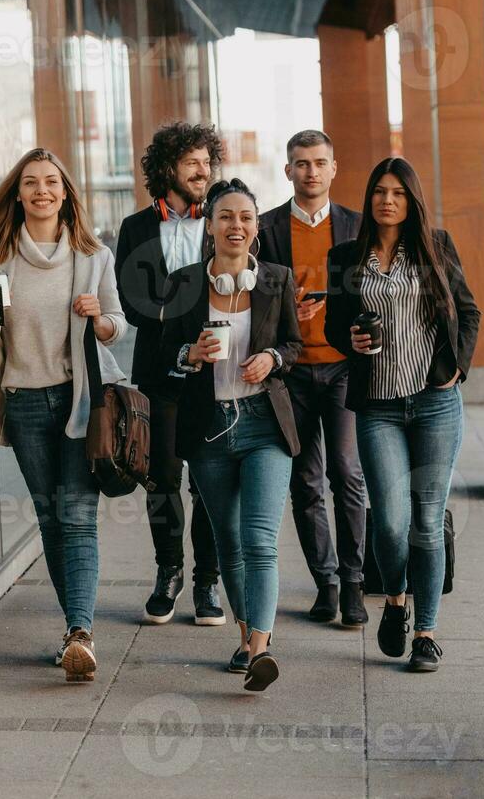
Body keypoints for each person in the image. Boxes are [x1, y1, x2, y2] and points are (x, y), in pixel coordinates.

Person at [0, 148, 128, 683]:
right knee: (52, 519)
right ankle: (73, 630)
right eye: (30, 183)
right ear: (18, 194)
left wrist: (99, 318)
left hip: (80, 401)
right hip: (25, 403)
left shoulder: (93, 255)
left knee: (77, 515)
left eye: (50, 182)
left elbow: (116, 326)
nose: (41, 191)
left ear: (65, 192)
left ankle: (81, 633)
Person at [326, 157, 480, 674]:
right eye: (379, 192)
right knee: (390, 522)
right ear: (369, 199)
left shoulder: (436, 246)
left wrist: (456, 366)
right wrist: (348, 338)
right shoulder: (346, 256)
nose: (387, 200)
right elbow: (333, 326)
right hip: (379, 408)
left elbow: (468, 310)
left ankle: (429, 632)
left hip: (435, 402)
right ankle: (395, 600)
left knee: (427, 521)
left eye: (397, 193)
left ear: (411, 200)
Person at [159, 179, 303, 692]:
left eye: (244, 216)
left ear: (256, 226)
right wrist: (188, 356)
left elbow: (294, 344)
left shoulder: (277, 280)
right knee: (230, 544)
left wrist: (274, 358)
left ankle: (261, 649)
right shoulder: (184, 284)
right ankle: (245, 638)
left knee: (261, 540)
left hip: (265, 423)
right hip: (210, 429)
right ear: (211, 225)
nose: (235, 225)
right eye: (225, 216)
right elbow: (161, 357)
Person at [256, 130, 368, 626]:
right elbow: (253, 296)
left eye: (319, 162)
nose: (311, 172)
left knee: (345, 472)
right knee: (304, 480)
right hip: (291, 372)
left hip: (343, 367)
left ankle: (354, 584)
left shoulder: (356, 227)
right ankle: (325, 581)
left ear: (333, 168)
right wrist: (285, 312)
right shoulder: (266, 228)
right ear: (288, 171)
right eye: (301, 163)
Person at [115, 122, 224, 626]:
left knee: (209, 480)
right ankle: (169, 571)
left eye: (207, 161)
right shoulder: (136, 228)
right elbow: (129, 303)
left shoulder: (223, 220)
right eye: (192, 163)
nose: (203, 171)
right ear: (167, 170)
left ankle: (208, 582)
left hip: (214, 370)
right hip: (159, 370)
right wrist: (171, 325)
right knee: (161, 478)